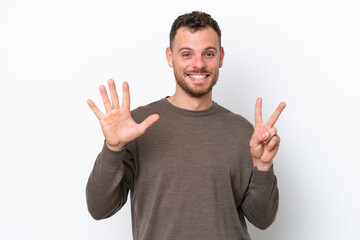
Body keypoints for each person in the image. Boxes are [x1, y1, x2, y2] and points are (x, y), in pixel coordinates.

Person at [86, 11, 286, 240]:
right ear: (170, 57)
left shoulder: (244, 133)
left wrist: (263, 167)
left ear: (220, 57)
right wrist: (113, 150)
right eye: (187, 54)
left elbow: (263, 220)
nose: (198, 64)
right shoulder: (136, 127)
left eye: (208, 53)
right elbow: (99, 208)